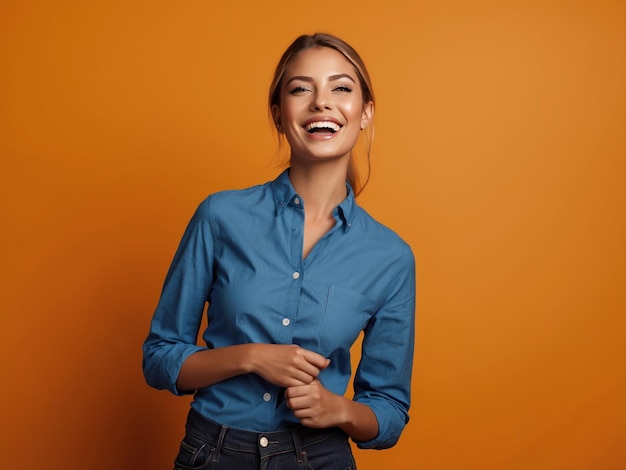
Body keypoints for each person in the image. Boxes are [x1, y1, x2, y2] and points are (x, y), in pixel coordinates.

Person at [142, 32, 416, 469]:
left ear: (365, 113)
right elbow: (159, 357)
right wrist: (250, 357)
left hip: (320, 456)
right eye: (301, 88)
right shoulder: (220, 216)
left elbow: (388, 409)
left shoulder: (391, 256)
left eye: (341, 88)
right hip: (213, 453)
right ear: (278, 113)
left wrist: (339, 409)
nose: (321, 102)